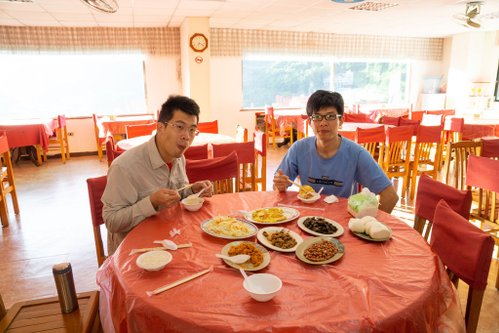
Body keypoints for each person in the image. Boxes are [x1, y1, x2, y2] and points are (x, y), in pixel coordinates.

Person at [102, 95, 213, 255]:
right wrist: (151, 202)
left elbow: (176, 195)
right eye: (180, 127)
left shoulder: (179, 158)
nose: (186, 136)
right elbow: (112, 222)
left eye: (192, 130)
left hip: (172, 239)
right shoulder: (124, 167)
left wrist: (192, 191)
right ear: (160, 128)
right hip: (135, 252)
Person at [273, 90, 399, 214]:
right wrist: (280, 185)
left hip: (342, 226)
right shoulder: (299, 149)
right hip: (307, 220)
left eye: (330, 116)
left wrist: (368, 225)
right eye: (317, 117)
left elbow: (390, 197)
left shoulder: (356, 154)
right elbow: (277, 188)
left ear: (341, 121)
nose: (323, 123)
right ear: (310, 122)